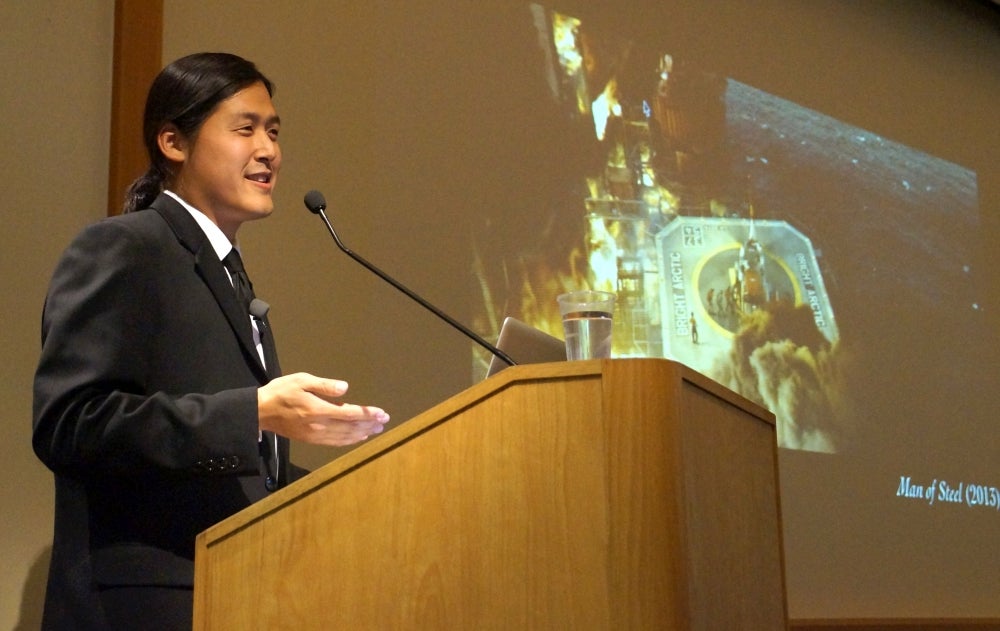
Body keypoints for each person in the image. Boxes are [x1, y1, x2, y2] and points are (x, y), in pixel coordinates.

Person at [32, 52, 390, 630]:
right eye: (245, 128)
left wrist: (365, 486)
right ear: (173, 142)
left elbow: (234, 476)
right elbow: (71, 423)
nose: (269, 149)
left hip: (235, 598)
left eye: (273, 131)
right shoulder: (124, 248)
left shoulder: (228, 276)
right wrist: (252, 412)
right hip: (144, 608)